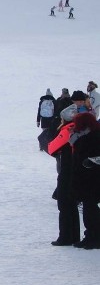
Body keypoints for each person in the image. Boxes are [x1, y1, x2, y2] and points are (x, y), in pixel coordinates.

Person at [47, 106, 80, 246]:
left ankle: (65, 237)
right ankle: (74, 235)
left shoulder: (67, 130)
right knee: (72, 204)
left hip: (66, 170)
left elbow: (51, 147)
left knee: (64, 204)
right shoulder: (80, 129)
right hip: (77, 170)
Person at [70, 113, 100, 248]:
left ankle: (94, 237)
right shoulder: (83, 135)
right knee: (89, 209)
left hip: (91, 178)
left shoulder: (93, 136)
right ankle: (90, 236)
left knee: (90, 209)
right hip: (85, 178)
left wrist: (90, 162)